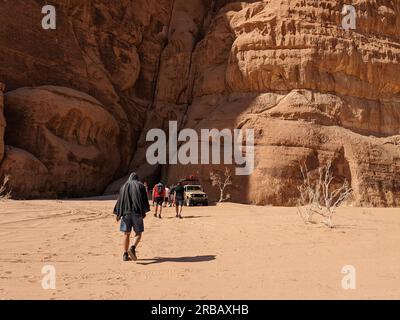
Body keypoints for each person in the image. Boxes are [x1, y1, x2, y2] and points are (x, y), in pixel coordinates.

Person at [114, 173, 150, 262]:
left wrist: (118, 213)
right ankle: (133, 248)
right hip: (137, 212)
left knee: (126, 233)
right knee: (138, 233)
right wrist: (144, 211)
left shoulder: (124, 186)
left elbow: (120, 200)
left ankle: (125, 254)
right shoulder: (141, 186)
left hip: (126, 213)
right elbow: (144, 199)